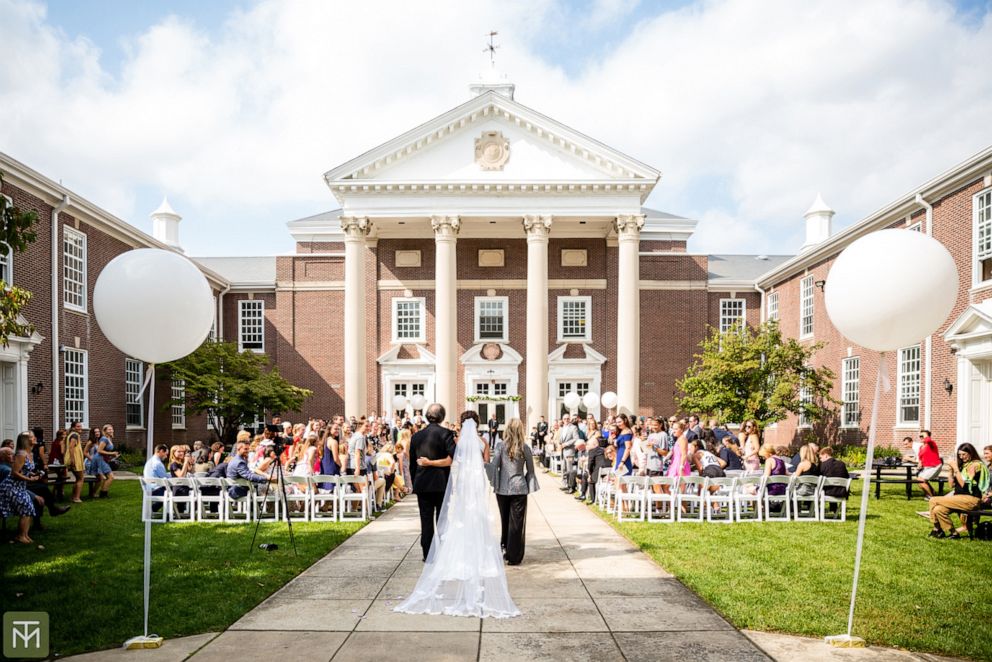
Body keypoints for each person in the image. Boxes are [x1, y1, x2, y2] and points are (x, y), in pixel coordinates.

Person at [395, 412, 519, 618]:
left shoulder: (457, 440)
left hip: (462, 482)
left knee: (459, 516)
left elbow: (454, 460)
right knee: (478, 513)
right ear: (478, 424)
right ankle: (477, 548)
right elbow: (486, 461)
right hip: (477, 481)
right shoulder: (483, 441)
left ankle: (442, 552)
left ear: (462, 424)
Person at [408, 403, 457, 562]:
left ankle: (427, 554)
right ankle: (443, 553)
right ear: (442, 417)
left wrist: (416, 481)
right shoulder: (446, 434)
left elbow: (412, 465)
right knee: (442, 520)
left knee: (426, 520)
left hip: (422, 484)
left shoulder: (416, 436)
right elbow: (453, 459)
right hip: (441, 484)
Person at [490, 418, 539, 565]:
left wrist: (495, 481)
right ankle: (514, 555)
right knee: (517, 523)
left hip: (503, 489)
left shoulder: (500, 446)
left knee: (505, 520)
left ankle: (504, 547)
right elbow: (531, 471)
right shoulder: (525, 448)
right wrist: (528, 485)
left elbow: (495, 466)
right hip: (519, 488)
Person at [927, 443, 989, 539]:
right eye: (959, 455)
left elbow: (964, 484)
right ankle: (954, 533)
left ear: (971, 453)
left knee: (933, 500)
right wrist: (950, 471)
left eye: (964, 454)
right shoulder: (962, 466)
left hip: (971, 499)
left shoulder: (975, 465)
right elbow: (951, 485)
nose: (961, 457)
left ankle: (937, 529)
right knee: (938, 509)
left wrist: (955, 468)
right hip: (958, 498)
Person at [0, 435, 48, 544]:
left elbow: (23, 469)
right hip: (12, 487)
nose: (34, 437)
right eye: (31, 436)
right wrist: (29, 479)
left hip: (20, 487)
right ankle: (20, 536)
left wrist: (33, 474)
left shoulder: (28, 454)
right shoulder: (21, 454)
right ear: (25, 440)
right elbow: (14, 472)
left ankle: (25, 535)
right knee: (25, 508)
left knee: (29, 508)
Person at [90, 424, 119, 498]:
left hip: (103, 459)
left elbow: (105, 450)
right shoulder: (104, 439)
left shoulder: (109, 438)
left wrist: (113, 455)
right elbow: (99, 450)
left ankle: (102, 493)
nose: (111, 430)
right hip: (100, 459)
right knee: (110, 477)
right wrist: (112, 453)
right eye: (109, 429)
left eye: (112, 429)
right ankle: (103, 494)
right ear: (105, 431)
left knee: (107, 477)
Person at [819, 447, 850, 513]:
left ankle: (812, 509)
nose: (820, 460)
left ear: (825, 455)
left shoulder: (823, 465)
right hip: (842, 491)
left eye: (821, 458)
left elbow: (819, 478)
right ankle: (833, 508)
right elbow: (846, 476)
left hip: (828, 492)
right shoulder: (841, 464)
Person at [916, 430, 943, 499]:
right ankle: (931, 493)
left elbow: (928, 441)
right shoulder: (921, 447)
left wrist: (926, 437)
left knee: (921, 480)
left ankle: (931, 497)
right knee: (919, 481)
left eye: (923, 436)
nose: (921, 437)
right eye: (920, 436)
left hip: (935, 466)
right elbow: (920, 457)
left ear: (928, 437)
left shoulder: (932, 444)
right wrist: (920, 462)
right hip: (926, 467)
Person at [143, 444, 170, 512]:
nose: (166, 456)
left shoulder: (150, 461)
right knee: (176, 492)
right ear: (161, 451)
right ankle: (174, 513)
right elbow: (164, 478)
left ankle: (152, 509)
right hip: (156, 490)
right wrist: (173, 475)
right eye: (166, 454)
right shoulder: (158, 463)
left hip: (149, 489)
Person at [65, 430, 86, 503]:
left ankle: (73, 496)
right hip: (76, 460)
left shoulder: (71, 435)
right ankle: (76, 498)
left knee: (77, 479)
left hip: (75, 460)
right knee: (81, 478)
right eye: (78, 426)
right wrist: (72, 459)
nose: (80, 428)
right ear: (74, 427)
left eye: (80, 426)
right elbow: (71, 447)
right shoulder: (75, 435)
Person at [559, 415, 579, 492]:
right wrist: (559, 444)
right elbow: (561, 439)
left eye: (568, 418)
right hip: (562, 451)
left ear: (570, 419)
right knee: (564, 468)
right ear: (562, 420)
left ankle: (571, 487)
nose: (566, 420)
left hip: (570, 451)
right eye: (565, 419)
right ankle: (565, 485)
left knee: (570, 469)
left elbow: (576, 438)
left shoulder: (573, 427)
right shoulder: (562, 428)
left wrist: (566, 444)